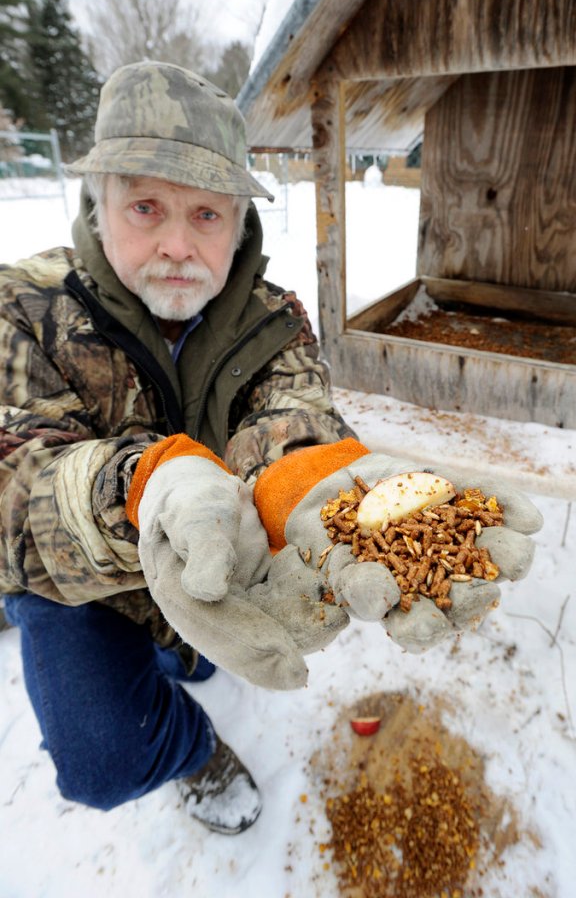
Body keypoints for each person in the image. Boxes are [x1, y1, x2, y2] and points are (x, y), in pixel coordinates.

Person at [0, 61, 542, 835]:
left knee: (211, 644)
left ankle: (184, 657)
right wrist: (143, 486)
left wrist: (312, 479)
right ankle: (189, 749)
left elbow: (293, 415)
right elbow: (10, 482)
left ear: (238, 221)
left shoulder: (273, 316)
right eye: (146, 207)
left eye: (206, 215)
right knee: (102, 766)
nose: (178, 246)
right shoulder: (22, 306)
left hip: (222, 555)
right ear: (98, 201)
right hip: (78, 588)